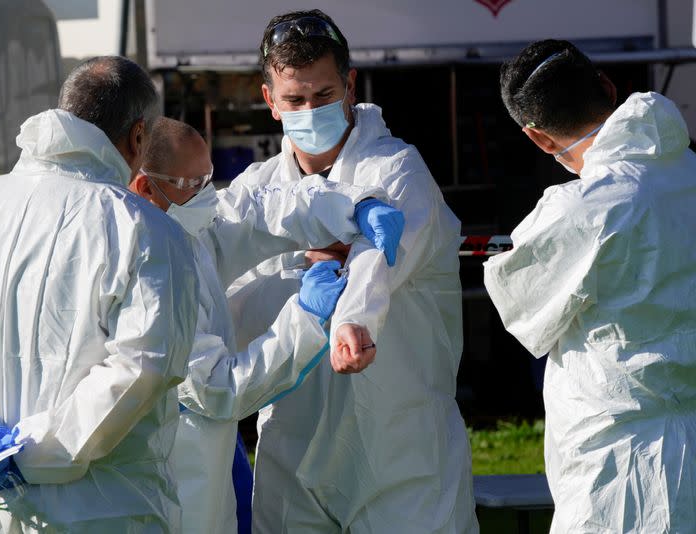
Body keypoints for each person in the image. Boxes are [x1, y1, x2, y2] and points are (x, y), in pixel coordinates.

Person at [0, 56, 200, 532]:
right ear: (139, 136)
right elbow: (144, 366)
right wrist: (31, 455)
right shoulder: (146, 232)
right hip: (106, 511)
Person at [217, 10, 478, 533]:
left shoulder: (397, 169)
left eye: (323, 94)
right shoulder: (254, 188)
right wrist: (305, 281)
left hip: (397, 443)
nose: (310, 110)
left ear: (350, 86)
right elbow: (228, 300)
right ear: (269, 101)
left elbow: (377, 260)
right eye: (294, 100)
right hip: (292, 444)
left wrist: (351, 318)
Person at [129, 116, 403, 534]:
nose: (207, 196)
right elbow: (221, 390)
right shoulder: (146, 273)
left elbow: (258, 210)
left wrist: (353, 204)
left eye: (209, 180)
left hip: (206, 474)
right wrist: (307, 317)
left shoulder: (184, 227)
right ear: (145, 187)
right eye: (192, 185)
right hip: (168, 487)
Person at [484, 39, 696, 533]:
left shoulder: (579, 208)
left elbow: (519, 306)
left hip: (623, 468)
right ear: (606, 86)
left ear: (537, 137)